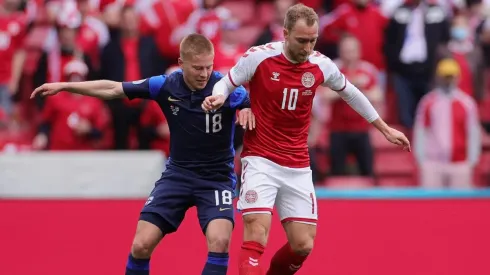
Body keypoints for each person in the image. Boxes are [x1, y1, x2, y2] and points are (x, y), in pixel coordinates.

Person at [202, 4, 410, 275]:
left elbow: (351, 93)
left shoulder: (321, 64)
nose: (307, 47)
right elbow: (227, 82)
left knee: (302, 245)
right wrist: (219, 96)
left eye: (313, 40)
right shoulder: (259, 57)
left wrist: (383, 128)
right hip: (260, 158)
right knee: (256, 231)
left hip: (297, 165)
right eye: (302, 40)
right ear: (285, 34)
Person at [31, 33, 255, 275]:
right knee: (140, 245)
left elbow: (253, 101)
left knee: (220, 243)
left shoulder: (226, 87)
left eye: (208, 67)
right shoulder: (166, 84)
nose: (204, 74)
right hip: (177, 175)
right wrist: (64, 86)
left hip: (216, 178)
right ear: (181, 64)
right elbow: (113, 88)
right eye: (197, 68)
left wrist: (246, 108)